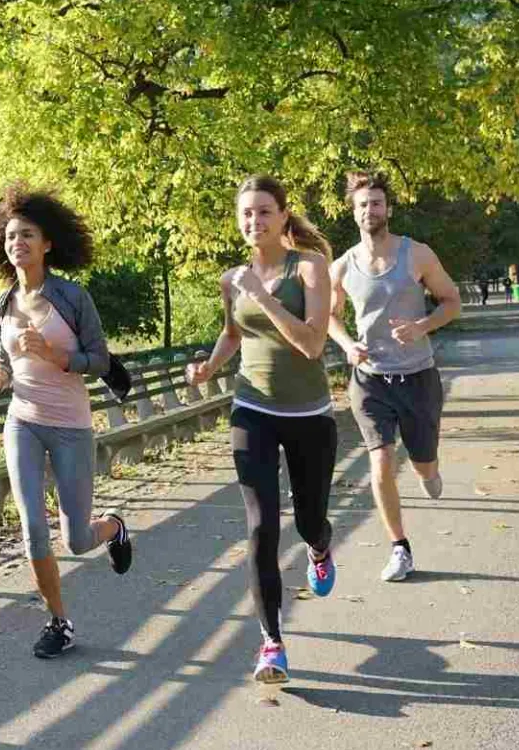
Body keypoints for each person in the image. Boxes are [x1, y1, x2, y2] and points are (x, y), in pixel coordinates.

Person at [185, 175, 337, 684]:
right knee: (260, 526)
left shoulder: (309, 267)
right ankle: (272, 644)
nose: (255, 221)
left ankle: (319, 548)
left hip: (309, 416)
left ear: (283, 215)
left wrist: (266, 298)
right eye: (246, 213)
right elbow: (232, 333)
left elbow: (313, 345)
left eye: (264, 212)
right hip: (252, 409)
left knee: (310, 519)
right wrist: (208, 368)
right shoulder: (232, 280)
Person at [0, 185, 132, 660]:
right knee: (32, 529)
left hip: (70, 425)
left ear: (47, 245)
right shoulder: (0, 306)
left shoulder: (72, 298)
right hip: (22, 420)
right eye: (11, 236)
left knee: (77, 540)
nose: (17, 243)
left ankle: (114, 527)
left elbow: (101, 361)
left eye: (28, 235)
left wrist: (56, 355)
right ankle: (59, 623)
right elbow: (5, 368)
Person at [326, 172, 462, 582]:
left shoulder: (416, 254)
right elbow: (330, 316)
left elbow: (451, 301)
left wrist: (422, 326)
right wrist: (348, 344)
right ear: (353, 212)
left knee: (424, 467)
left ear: (389, 209)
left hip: (418, 376)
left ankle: (429, 470)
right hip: (370, 380)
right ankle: (399, 547)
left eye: (377, 203)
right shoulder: (342, 266)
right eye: (363, 205)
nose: (371, 211)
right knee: (381, 459)